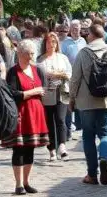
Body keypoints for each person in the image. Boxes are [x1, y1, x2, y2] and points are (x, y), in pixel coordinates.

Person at [70, 23, 107, 186]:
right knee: (106, 134)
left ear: (91, 35)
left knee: (88, 136)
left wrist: (72, 99)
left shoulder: (83, 53)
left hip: (86, 102)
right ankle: (104, 158)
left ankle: (92, 175)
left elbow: (75, 79)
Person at [3, 40, 49, 194]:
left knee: (30, 149)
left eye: (32, 53)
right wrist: (32, 92)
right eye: (28, 53)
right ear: (20, 54)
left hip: (35, 114)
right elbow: (12, 93)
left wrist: (35, 93)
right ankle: (18, 184)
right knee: (19, 150)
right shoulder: (13, 72)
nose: (31, 56)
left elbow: (43, 90)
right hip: (20, 114)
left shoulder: (37, 70)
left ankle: (26, 181)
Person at [37, 32, 71, 161]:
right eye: (48, 42)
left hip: (62, 92)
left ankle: (62, 146)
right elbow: (39, 75)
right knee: (49, 122)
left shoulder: (62, 58)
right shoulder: (40, 60)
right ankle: (51, 148)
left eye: (54, 42)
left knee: (61, 119)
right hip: (47, 94)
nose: (51, 44)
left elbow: (69, 73)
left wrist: (58, 74)